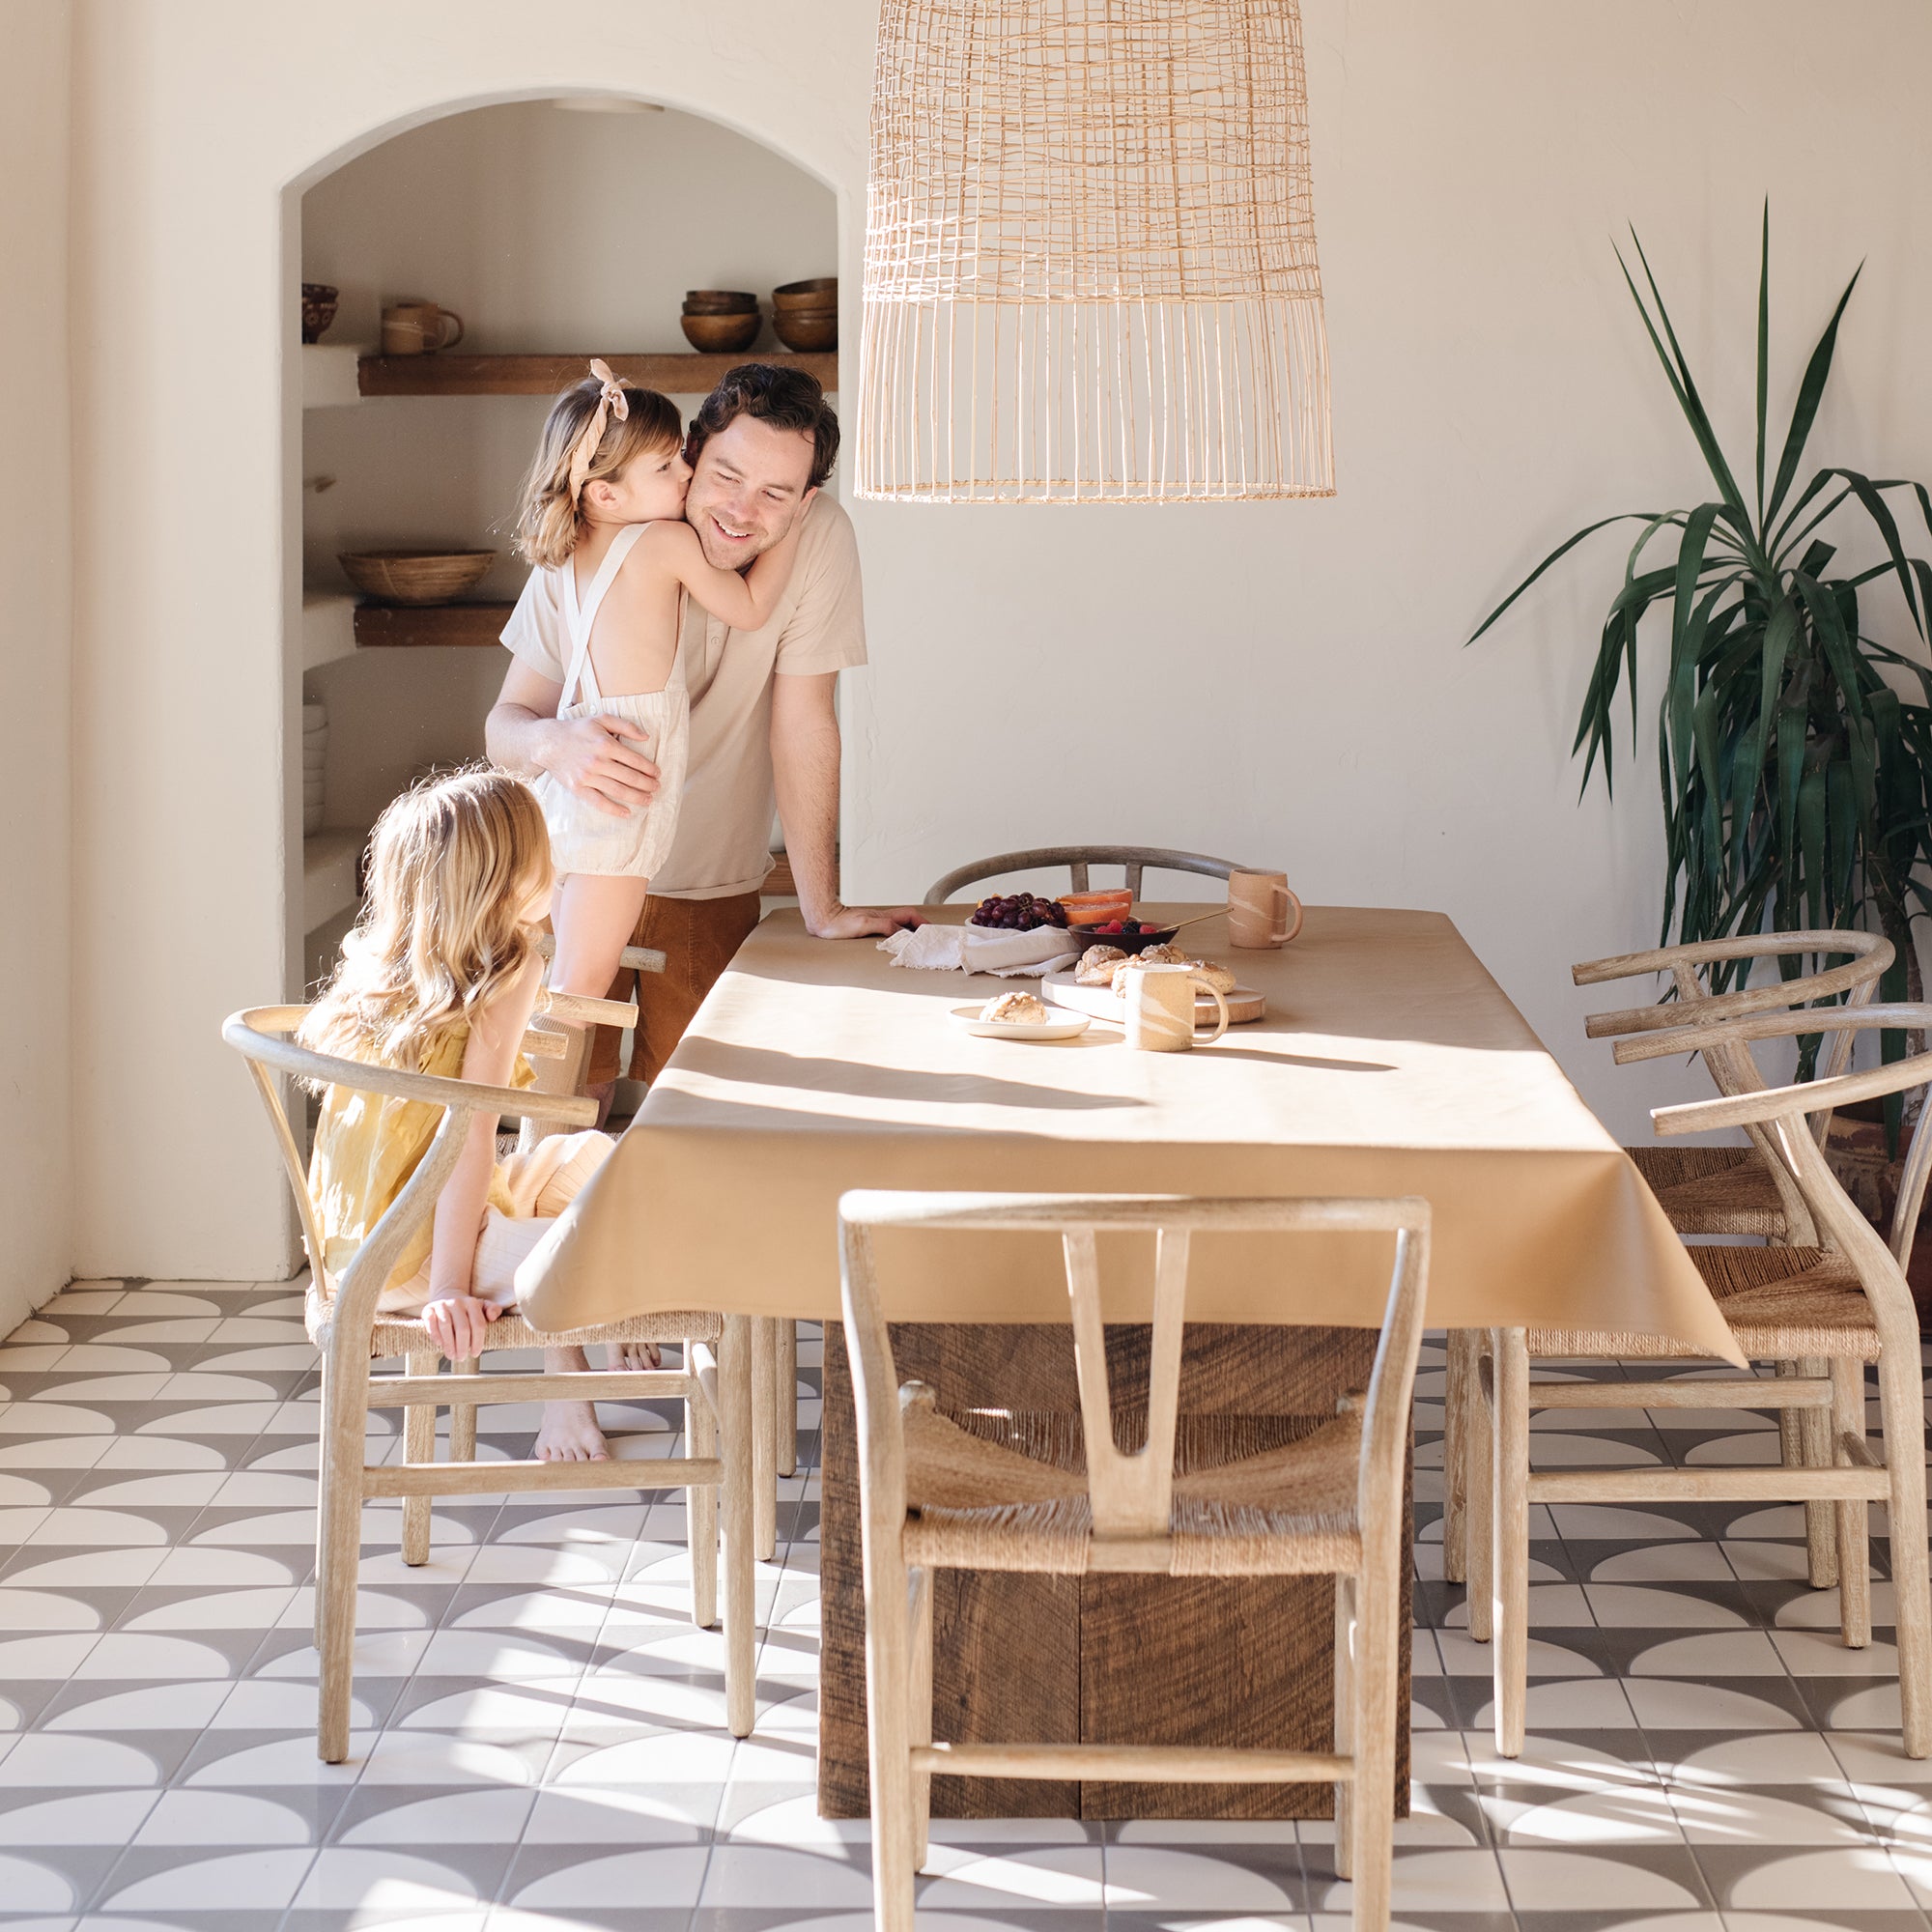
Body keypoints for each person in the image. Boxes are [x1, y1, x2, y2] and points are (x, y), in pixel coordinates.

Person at [486, 362, 923, 1096]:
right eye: (725, 476)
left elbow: (803, 723)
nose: (742, 510)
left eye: (776, 493)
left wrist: (822, 908)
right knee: (560, 1099)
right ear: (689, 454)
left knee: (694, 1114)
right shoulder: (600, 528)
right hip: (578, 868)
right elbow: (506, 725)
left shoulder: (817, 537)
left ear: (806, 500)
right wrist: (553, 744)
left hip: (711, 884)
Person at [299, 769, 643, 1463]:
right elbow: (469, 1142)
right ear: (509, 879)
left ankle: (579, 1350)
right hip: (414, 1258)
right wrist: (449, 1288)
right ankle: (577, 1374)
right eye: (544, 852)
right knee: (613, 1249)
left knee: (590, 1155)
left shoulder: (378, 963)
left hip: (351, 1248)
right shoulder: (509, 972)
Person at [507, 359, 802, 1014]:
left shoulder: (566, 560)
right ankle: (522, 1086)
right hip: (623, 793)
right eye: (666, 467)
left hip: (570, 792)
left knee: (556, 978)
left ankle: (520, 1083)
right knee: (577, 990)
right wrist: (795, 517)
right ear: (606, 495)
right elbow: (751, 607)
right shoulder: (664, 543)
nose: (688, 474)